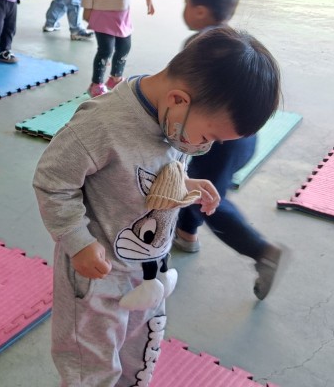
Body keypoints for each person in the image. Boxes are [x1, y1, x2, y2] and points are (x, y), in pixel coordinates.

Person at [34, 25, 282, 386]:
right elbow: (52, 181)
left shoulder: (175, 120)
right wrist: (78, 241)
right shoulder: (102, 125)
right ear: (178, 100)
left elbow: (154, 170)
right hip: (98, 276)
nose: (206, 147)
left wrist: (186, 184)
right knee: (92, 367)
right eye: (208, 136)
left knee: (138, 357)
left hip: (150, 271)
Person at [173, 0, 284, 300]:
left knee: (206, 197)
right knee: (195, 182)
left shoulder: (198, 47)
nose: (184, 7)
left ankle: (261, 251)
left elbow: (185, 98)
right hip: (242, 138)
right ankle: (187, 235)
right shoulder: (232, 42)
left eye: (186, 0)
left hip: (219, 142)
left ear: (200, 10)